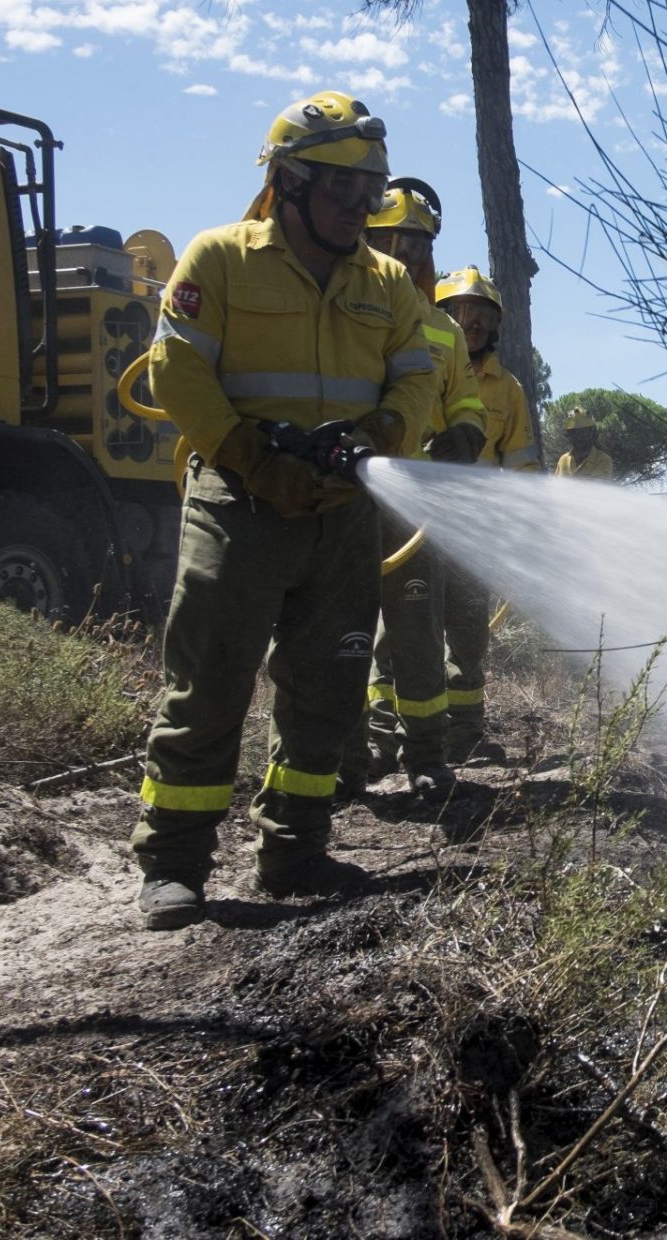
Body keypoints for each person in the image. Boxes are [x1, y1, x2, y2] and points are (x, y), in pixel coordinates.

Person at [131, 90, 437, 930]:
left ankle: (295, 849)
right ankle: (175, 862)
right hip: (240, 501)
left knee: (329, 685)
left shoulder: (386, 284)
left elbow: (419, 378)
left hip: (342, 512)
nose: (359, 207)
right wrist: (254, 459)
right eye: (343, 188)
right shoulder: (221, 259)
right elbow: (178, 370)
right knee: (212, 676)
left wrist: (382, 431)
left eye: (369, 191)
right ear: (291, 181)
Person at [340, 179, 488, 803]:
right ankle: (345, 756)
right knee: (336, 632)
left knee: (417, 629)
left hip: (411, 503)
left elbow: (468, 401)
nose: (402, 254)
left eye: (415, 244)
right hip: (337, 496)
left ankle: (426, 756)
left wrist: (465, 434)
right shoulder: (338, 308)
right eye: (387, 240)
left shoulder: (443, 332)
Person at [434, 265, 538, 763]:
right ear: (444, 315)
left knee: (468, 633)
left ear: (494, 326)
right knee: (401, 634)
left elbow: (519, 462)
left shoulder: (507, 388)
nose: (470, 323)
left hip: (473, 530)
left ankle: (466, 733)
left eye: (481, 315)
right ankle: (392, 737)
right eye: (460, 311)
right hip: (412, 521)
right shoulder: (421, 366)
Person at [554, 406, 614, 479]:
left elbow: (597, 488)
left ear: (592, 433)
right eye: (573, 433)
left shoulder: (603, 460)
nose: (578, 437)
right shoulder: (563, 460)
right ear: (568, 435)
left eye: (583, 432)